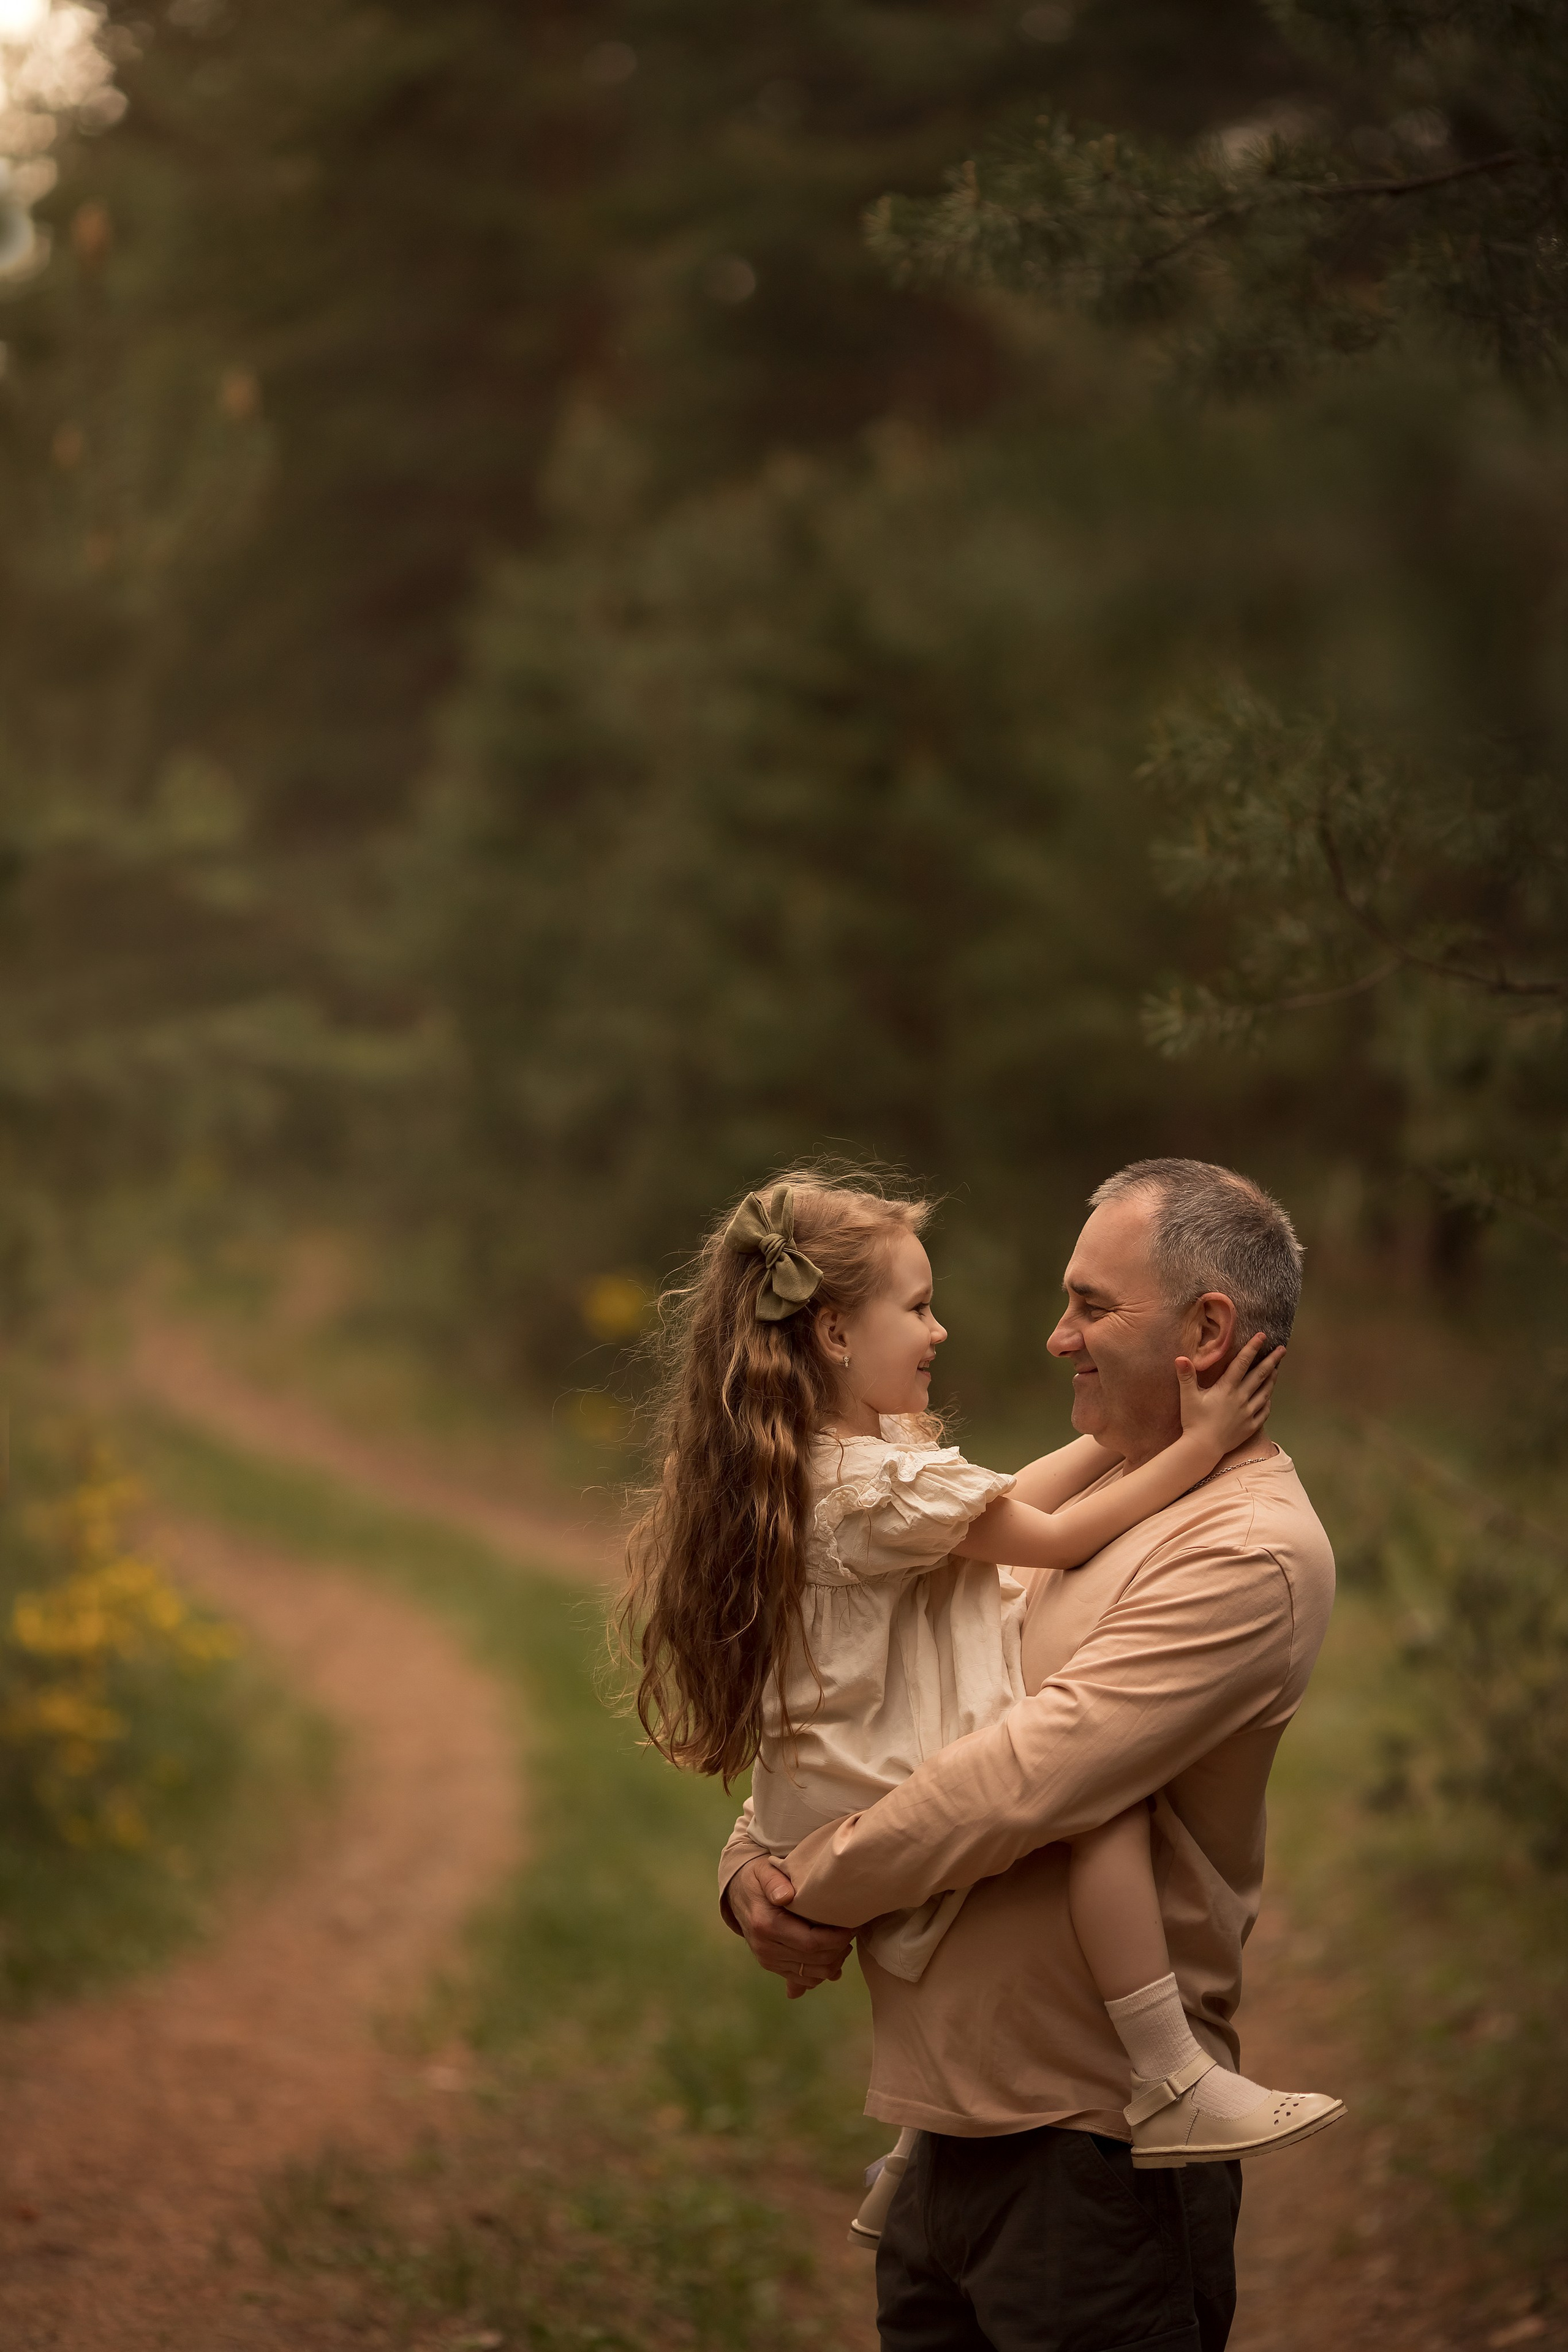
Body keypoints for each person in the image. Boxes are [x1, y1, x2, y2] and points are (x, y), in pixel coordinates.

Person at [620, 1167, 1340, 2248]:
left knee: (1097, 1805)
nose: (1055, 1337)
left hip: (1083, 2144)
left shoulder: (1240, 1549)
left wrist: (801, 1881)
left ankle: (1173, 2080)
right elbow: (905, 1690)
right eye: (918, 1308)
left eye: (1091, 1306)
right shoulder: (1012, 1491)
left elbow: (1015, 1784)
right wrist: (748, 1874)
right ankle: (925, 2152)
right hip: (956, 2116)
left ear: (1207, 1331)